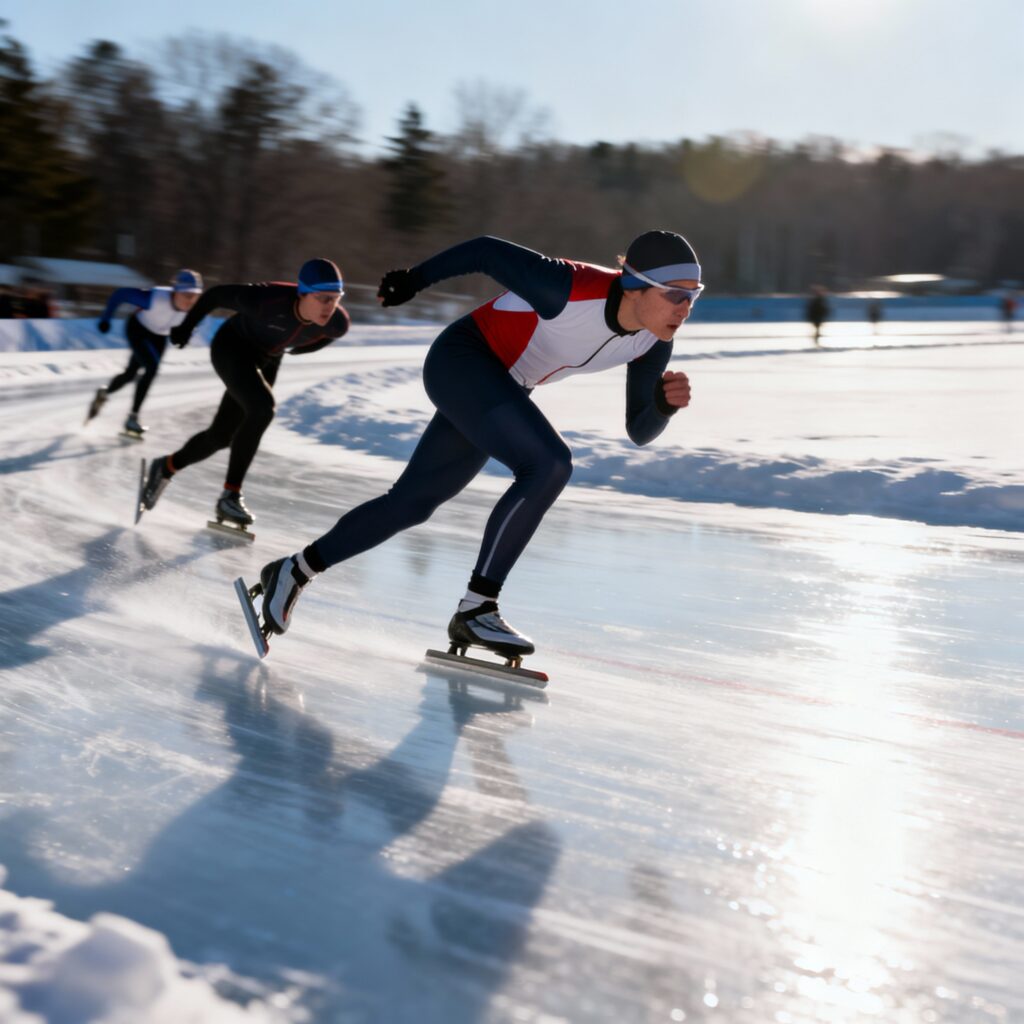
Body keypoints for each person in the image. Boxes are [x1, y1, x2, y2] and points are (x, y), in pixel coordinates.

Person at [252, 231, 697, 661]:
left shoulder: (653, 342)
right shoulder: (567, 287)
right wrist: (413, 279)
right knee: (549, 464)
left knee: (412, 503)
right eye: (676, 295)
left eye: (694, 295)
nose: (685, 308)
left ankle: (293, 570)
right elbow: (486, 252)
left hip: (503, 386)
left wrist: (660, 406)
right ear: (635, 286)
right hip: (463, 358)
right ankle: (478, 607)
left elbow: (640, 430)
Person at [139, 258, 350, 527]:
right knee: (262, 409)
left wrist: (298, 350)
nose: (330, 306)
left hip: (268, 357)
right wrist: (185, 327)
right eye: (323, 298)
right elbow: (214, 295)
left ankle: (166, 467)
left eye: (336, 298)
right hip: (232, 347)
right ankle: (231, 495)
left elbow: (325, 338)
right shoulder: (266, 299)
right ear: (303, 292)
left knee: (221, 436)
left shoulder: (337, 323)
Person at [85, 270, 204, 436]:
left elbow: (189, 327)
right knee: (152, 368)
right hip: (138, 329)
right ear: (175, 291)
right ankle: (132, 418)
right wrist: (105, 318)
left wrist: (185, 336)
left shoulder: (196, 309)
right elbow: (120, 295)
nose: (190, 300)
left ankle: (104, 393)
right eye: (186, 294)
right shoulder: (154, 298)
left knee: (130, 374)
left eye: (194, 295)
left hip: (159, 337)